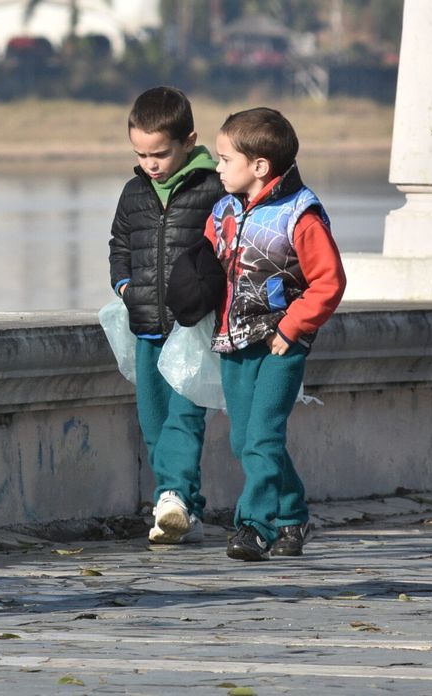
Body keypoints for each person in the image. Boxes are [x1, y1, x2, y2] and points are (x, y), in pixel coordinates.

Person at [205, 107, 346, 561]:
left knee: (263, 438)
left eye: (225, 160)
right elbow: (208, 267)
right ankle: (293, 516)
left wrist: (293, 325)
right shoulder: (223, 209)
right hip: (234, 341)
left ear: (259, 166)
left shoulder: (299, 214)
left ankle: (254, 526)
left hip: (281, 345)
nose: (218, 167)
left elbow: (329, 281)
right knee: (244, 441)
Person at [109, 86, 225, 545]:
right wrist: (124, 286)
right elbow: (120, 245)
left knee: (184, 419)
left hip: (192, 329)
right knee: (154, 423)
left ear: (189, 140)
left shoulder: (215, 188)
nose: (150, 164)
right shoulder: (134, 192)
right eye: (140, 154)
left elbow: (228, 251)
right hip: (146, 327)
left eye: (159, 153)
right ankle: (183, 511)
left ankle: (171, 496)